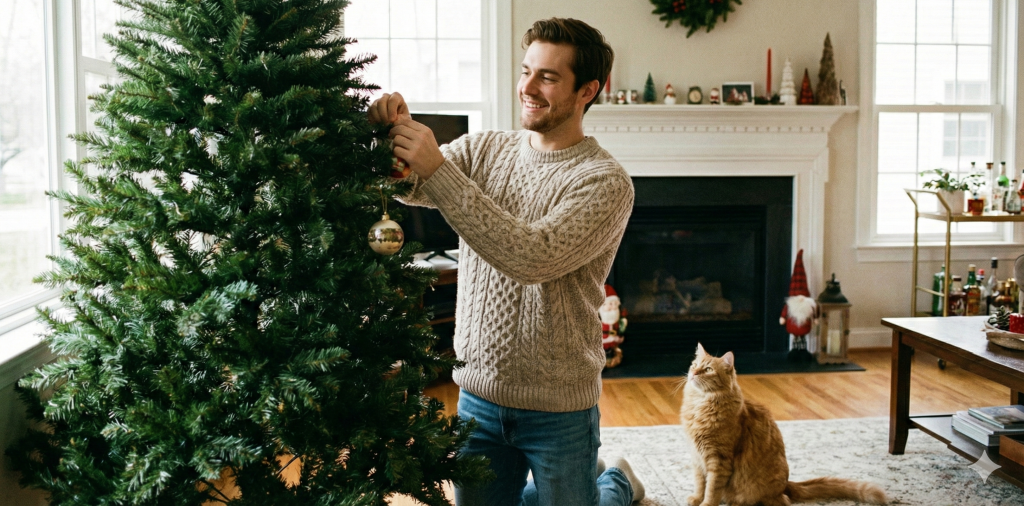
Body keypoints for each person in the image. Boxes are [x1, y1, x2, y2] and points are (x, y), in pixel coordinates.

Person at [367, 17, 642, 506]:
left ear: (588, 91)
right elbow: (410, 184)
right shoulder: (483, 149)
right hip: (478, 397)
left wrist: (435, 167)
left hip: (560, 410)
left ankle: (615, 482)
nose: (527, 88)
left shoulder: (606, 182)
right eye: (525, 71)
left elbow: (530, 256)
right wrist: (396, 134)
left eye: (548, 77)